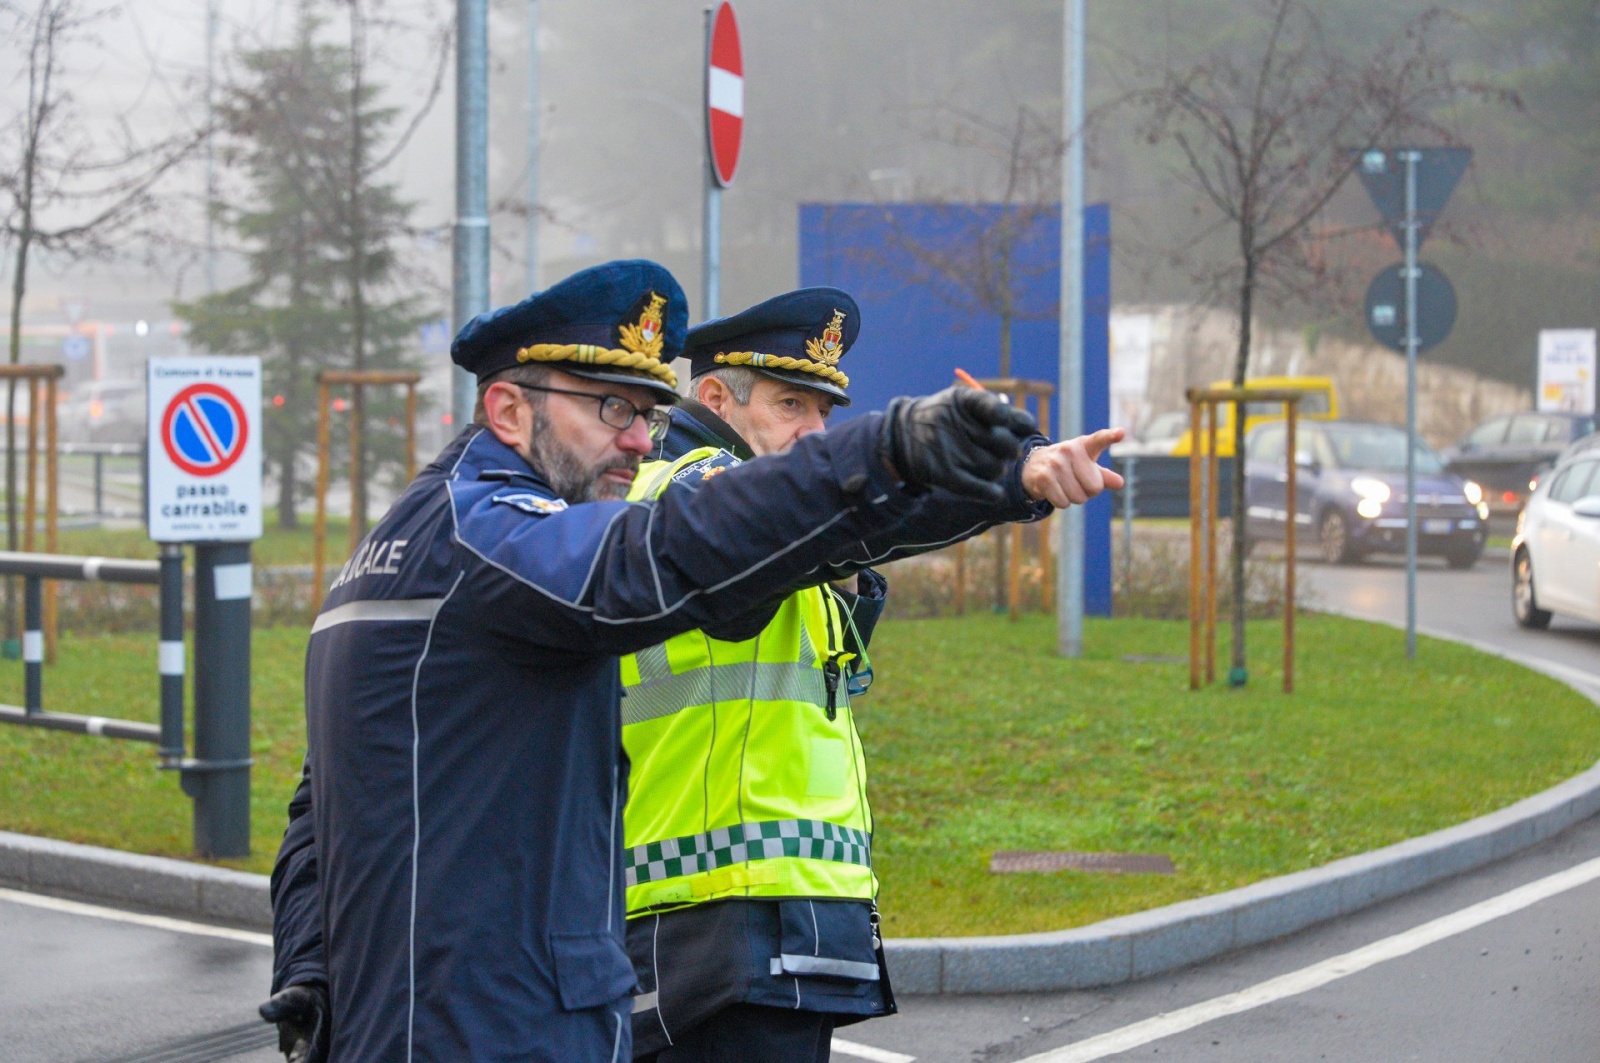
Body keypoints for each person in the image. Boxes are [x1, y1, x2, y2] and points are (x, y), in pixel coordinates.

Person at [257, 259, 1118, 1062]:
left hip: (483, 1015)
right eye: (611, 408)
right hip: (497, 1023)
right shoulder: (494, 539)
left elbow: (323, 802)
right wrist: (887, 450)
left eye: (649, 413)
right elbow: (674, 545)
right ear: (509, 411)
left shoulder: (422, 537)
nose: (638, 441)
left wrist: (309, 971)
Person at [623, 288, 1114, 1062]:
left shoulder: (777, 513)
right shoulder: (693, 488)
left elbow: (846, 566)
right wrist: (1012, 481)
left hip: (764, 910)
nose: (814, 433)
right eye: (791, 405)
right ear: (714, 396)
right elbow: (858, 520)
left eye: (823, 413)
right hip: (718, 912)